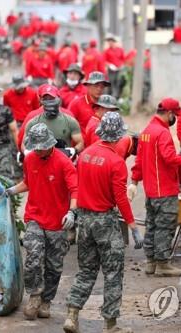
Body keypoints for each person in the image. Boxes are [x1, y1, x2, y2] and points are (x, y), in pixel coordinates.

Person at [63, 112, 144, 333]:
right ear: (118, 135)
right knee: (112, 272)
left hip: (85, 221)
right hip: (105, 223)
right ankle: (110, 325)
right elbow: (120, 199)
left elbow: (77, 187)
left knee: (86, 270)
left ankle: (71, 315)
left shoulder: (86, 155)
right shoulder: (117, 163)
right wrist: (134, 227)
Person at [5, 123, 78, 320]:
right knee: (32, 258)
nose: (38, 150)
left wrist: (71, 212)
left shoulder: (64, 163)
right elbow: (28, 182)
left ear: (50, 144)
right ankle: (35, 296)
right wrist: (11, 191)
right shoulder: (30, 159)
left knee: (54, 265)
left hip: (57, 222)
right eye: (35, 147)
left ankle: (47, 300)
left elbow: (75, 190)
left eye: (41, 147)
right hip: (35, 217)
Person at [128, 98, 181, 276]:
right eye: (175, 115)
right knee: (165, 226)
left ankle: (151, 262)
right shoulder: (162, 133)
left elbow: (139, 160)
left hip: (151, 191)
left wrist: (134, 181)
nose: (175, 119)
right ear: (169, 114)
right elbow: (170, 157)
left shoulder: (146, 131)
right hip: (165, 189)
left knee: (152, 225)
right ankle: (163, 264)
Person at [23, 84, 83, 153]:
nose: (49, 101)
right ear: (41, 101)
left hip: (63, 159)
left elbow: (80, 143)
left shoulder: (70, 121)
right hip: (40, 159)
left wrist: (73, 151)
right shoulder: (33, 122)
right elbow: (24, 144)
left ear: (58, 99)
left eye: (51, 98)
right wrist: (27, 152)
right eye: (46, 99)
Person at [84, 94, 135, 160]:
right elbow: (101, 150)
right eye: (110, 110)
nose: (112, 113)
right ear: (101, 108)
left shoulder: (96, 121)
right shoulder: (96, 126)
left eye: (113, 110)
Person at [68, 71, 110, 137]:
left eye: (102, 87)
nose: (99, 89)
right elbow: (68, 126)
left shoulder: (107, 105)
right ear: (88, 86)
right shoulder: (76, 104)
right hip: (83, 145)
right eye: (96, 86)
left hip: (100, 144)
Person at [103, 34, 125, 99]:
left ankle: (117, 95)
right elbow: (104, 61)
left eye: (111, 41)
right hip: (111, 70)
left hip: (119, 69)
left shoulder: (120, 50)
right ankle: (114, 95)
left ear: (114, 42)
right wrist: (109, 65)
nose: (110, 43)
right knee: (112, 82)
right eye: (109, 41)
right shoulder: (107, 51)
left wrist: (121, 65)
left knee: (119, 81)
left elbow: (123, 59)